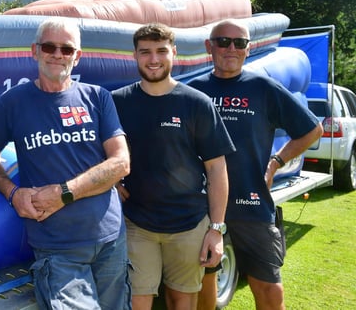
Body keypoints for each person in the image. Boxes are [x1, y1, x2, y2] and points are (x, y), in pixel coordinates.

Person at [0, 17, 132, 309]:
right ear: (35, 50)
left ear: (78, 56)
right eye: (50, 46)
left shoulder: (97, 98)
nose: (58, 55)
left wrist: (64, 193)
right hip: (57, 249)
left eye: (67, 48)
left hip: (111, 240)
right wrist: (12, 193)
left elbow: (121, 163)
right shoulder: (12, 103)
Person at [190, 19, 323, 310]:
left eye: (240, 43)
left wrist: (275, 163)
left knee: (268, 286)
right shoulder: (192, 91)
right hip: (202, 205)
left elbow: (312, 129)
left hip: (251, 202)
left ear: (248, 49)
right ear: (208, 47)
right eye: (223, 41)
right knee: (204, 281)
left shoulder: (264, 88)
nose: (232, 48)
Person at [111, 23, 235, 310]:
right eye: (145, 52)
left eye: (161, 51)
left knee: (182, 301)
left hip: (189, 224)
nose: (153, 59)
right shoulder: (118, 103)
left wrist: (216, 230)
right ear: (135, 55)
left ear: (174, 53)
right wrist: (112, 183)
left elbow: (217, 170)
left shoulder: (196, 104)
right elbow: (99, 155)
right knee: (137, 302)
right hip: (137, 224)